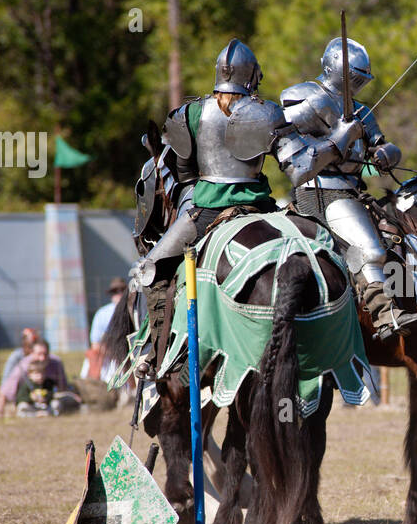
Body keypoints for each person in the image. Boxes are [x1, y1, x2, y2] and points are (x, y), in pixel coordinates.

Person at [127, 39, 372, 376]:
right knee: (342, 252)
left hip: (206, 211)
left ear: (217, 75)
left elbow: (182, 175)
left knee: (150, 269)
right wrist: (340, 139)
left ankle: (155, 356)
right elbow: (300, 168)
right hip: (262, 210)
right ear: (254, 77)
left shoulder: (188, 113)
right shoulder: (267, 111)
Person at [281, 35, 417, 340]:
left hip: (354, 191)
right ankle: (385, 315)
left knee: (402, 240)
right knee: (371, 250)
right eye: (354, 78)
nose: (358, 84)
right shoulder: (306, 96)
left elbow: (381, 144)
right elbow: (296, 149)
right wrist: (339, 135)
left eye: (362, 80)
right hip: (320, 189)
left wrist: (387, 154)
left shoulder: (363, 112)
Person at [0, 337, 76, 416]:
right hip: (30, 403)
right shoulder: (24, 366)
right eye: (39, 354)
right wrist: (0, 412)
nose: (42, 358)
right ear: (32, 352)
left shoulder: (56, 363)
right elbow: (5, 391)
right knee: (23, 407)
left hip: (49, 402)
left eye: (45, 354)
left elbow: (62, 388)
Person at [82, 277, 126, 383]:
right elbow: (95, 343)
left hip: (127, 351)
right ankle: (94, 385)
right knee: (92, 355)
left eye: (122, 291)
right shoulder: (102, 313)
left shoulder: (135, 311)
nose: (119, 294)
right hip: (107, 353)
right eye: (115, 292)